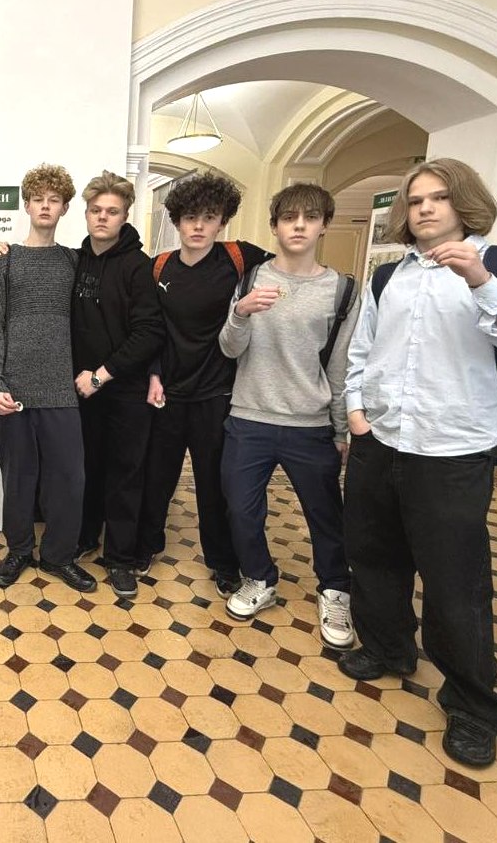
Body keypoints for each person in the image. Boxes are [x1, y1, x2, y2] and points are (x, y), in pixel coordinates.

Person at [341, 158, 497, 767]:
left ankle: (471, 705)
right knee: (373, 555)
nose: (425, 208)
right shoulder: (388, 276)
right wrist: (357, 411)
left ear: (463, 202)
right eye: (415, 200)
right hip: (381, 438)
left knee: (454, 581)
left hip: (453, 448)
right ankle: (388, 647)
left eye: (438, 197)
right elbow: (363, 350)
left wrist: (480, 282)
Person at [218, 183, 357, 647]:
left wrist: (340, 428)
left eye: (310, 218)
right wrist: (240, 313)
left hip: (310, 423)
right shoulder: (250, 279)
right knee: (241, 509)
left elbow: (340, 366)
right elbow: (229, 348)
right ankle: (259, 578)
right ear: (274, 225)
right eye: (289, 218)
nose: (299, 226)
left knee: (325, 515)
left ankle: (335, 589)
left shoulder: (341, 290)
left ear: (324, 226)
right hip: (249, 417)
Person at [137, 172, 271, 596]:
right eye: (190, 217)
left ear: (222, 221)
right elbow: (151, 328)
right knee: (157, 478)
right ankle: (146, 546)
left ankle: (223, 562)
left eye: (209, 217)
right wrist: (153, 373)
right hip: (168, 393)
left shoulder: (239, 257)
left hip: (218, 393)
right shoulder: (159, 267)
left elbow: (289, 265)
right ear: (177, 220)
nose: (198, 226)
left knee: (215, 484)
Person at [0, 164, 96, 593]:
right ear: (26, 205)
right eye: (38, 199)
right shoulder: (5, 260)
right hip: (14, 389)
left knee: (69, 479)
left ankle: (58, 556)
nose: (45, 206)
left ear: (65, 208)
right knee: (18, 478)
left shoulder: (73, 261)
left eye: (54, 200)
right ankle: (18, 551)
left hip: (62, 389)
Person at [69, 171, 163, 599]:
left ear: (125, 216)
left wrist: (100, 375)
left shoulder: (138, 267)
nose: (103, 217)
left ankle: (121, 558)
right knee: (86, 468)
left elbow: (148, 333)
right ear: (86, 214)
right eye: (96, 210)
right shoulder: (76, 261)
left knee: (125, 475)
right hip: (81, 391)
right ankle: (85, 538)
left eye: (112, 211)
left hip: (123, 391)